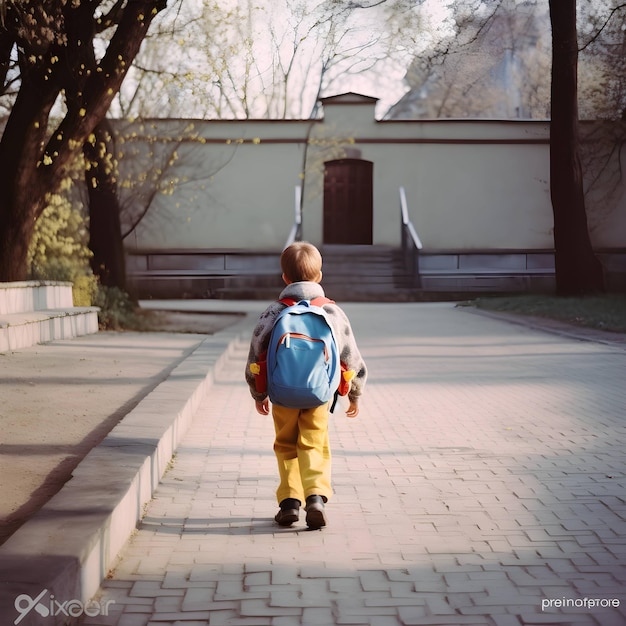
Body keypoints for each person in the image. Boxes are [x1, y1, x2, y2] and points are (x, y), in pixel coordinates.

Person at [245, 241, 367, 529]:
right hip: (319, 394)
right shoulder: (332, 313)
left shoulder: (274, 311)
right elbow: (350, 355)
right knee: (314, 442)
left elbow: (256, 352)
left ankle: (289, 502)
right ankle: (315, 498)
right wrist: (355, 394)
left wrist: (258, 392)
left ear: (285, 278)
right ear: (320, 277)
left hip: (281, 393)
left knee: (286, 444)